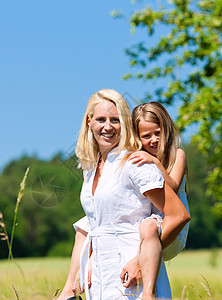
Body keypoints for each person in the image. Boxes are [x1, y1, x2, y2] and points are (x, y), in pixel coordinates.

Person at [57, 89, 190, 300]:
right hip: (100, 281)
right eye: (101, 119)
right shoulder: (90, 169)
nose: (108, 127)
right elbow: (89, 226)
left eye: (115, 120)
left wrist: (140, 262)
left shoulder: (135, 163)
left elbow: (178, 215)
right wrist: (71, 284)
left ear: (125, 124)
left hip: (134, 283)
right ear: (89, 121)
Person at [123, 101, 190, 296]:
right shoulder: (140, 158)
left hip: (174, 230)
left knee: (147, 227)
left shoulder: (177, 154)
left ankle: (148, 294)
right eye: (146, 136)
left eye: (158, 133)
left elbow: (174, 186)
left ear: (167, 130)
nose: (153, 140)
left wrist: (154, 162)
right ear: (138, 137)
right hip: (153, 229)